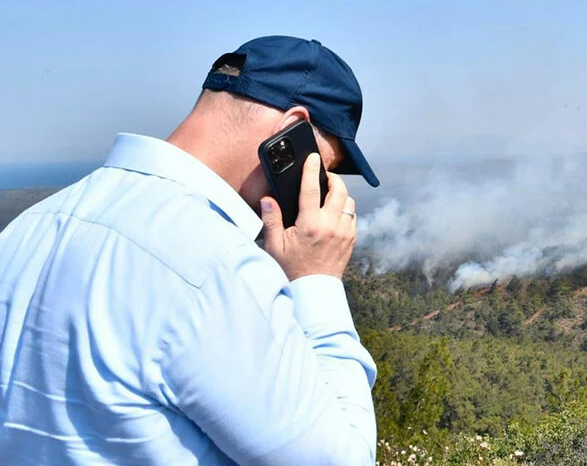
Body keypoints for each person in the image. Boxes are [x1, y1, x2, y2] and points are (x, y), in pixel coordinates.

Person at [0, 36, 381, 465]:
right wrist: (317, 280)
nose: (323, 191)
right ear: (287, 134)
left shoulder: (28, 228)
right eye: (323, 169)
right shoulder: (215, 268)